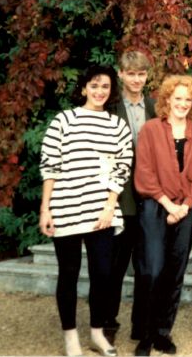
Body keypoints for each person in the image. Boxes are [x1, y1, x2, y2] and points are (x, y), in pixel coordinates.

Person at [39, 65, 133, 357]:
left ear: (111, 90)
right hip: (65, 207)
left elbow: (123, 167)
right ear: (83, 88)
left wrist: (110, 205)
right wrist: (45, 209)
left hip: (101, 210)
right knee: (68, 273)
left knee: (103, 274)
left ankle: (96, 333)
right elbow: (50, 165)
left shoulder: (117, 125)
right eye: (94, 85)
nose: (99, 91)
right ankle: (70, 338)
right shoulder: (63, 120)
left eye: (105, 86)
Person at [132, 75, 192, 356]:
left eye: (188, 99)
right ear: (167, 99)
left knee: (175, 271)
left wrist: (185, 206)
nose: (183, 103)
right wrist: (169, 206)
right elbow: (144, 172)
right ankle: (144, 333)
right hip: (156, 205)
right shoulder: (150, 130)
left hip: (187, 208)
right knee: (152, 269)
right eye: (178, 98)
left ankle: (162, 332)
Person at [104, 50, 156, 344]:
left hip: (149, 197)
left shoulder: (155, 107)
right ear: (121, 74)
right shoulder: (109, 107)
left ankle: (141, 325)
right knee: (114, 267)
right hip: (119, 197)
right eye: (131, 74)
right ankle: (107, 324)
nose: (136, 79)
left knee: (145, 267)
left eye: (141, 74)